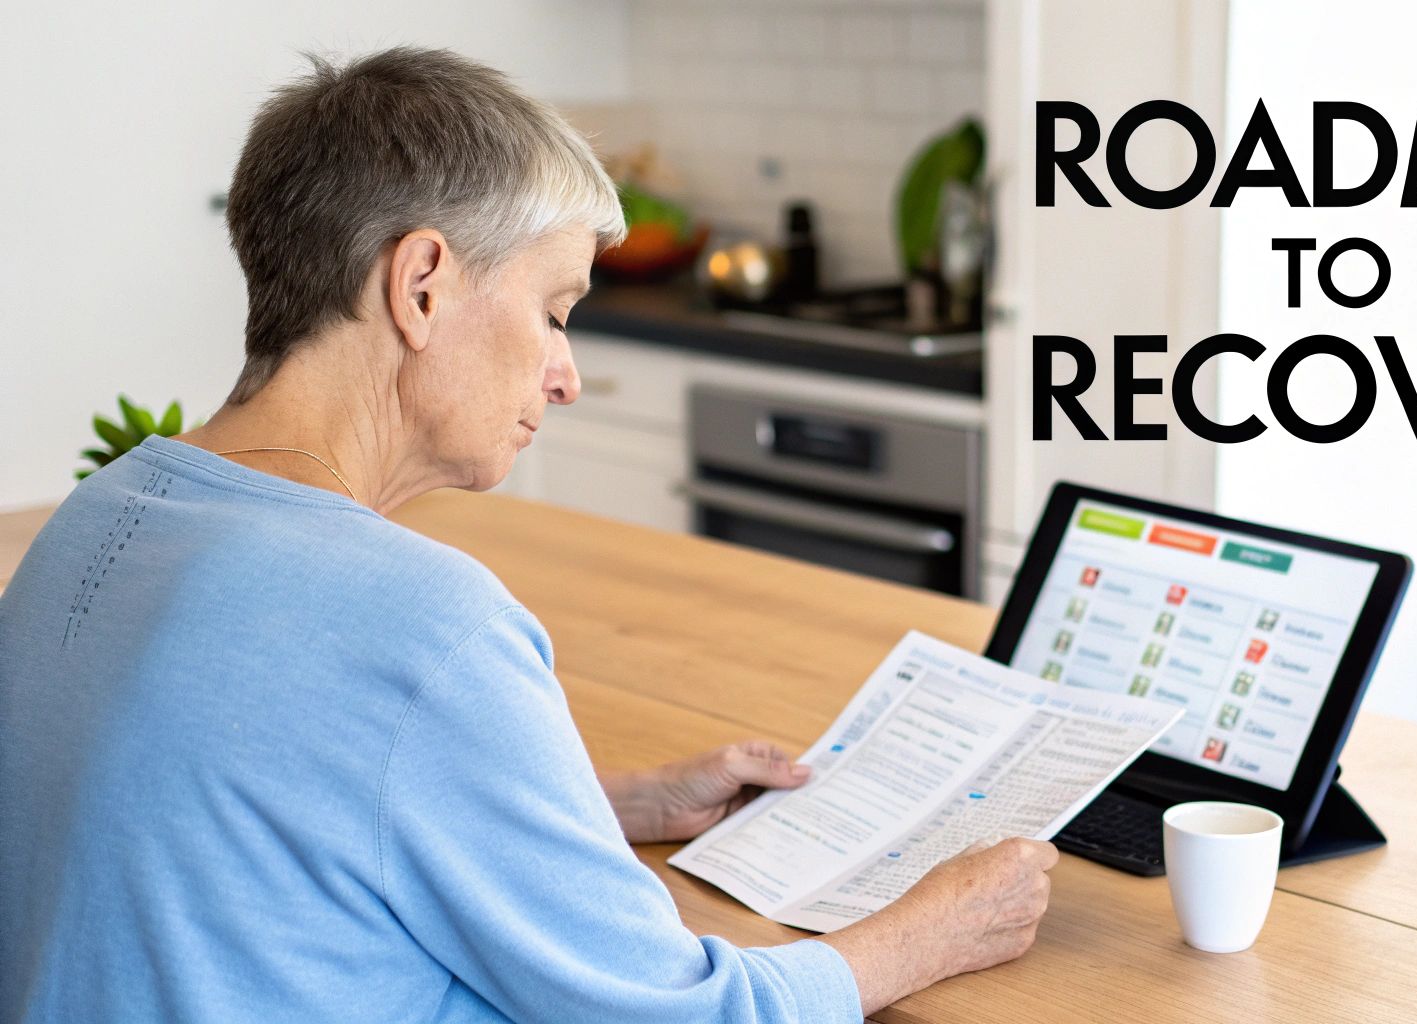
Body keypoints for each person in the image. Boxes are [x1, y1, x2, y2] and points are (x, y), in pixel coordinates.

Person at [0, 47, 1056, 1023]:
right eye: (554, 310)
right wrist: (931, 930)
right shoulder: (420, 621)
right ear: (421, 286)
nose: (568, 372)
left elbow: (260, 809)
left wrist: (603, 803)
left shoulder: (103, 512)